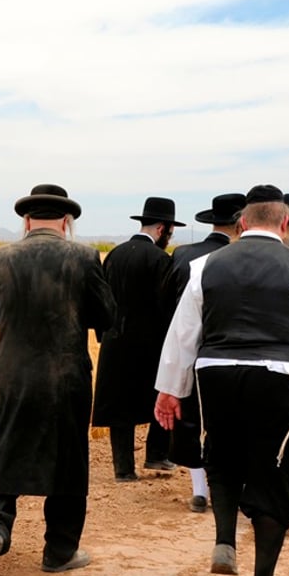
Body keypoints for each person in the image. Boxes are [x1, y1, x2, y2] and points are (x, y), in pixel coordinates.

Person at [154, 185, 289, 576]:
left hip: (214, 373)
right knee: (276, 471)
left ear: (241, 224)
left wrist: (170, 389)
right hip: (279, 378)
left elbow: (183, 333)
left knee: (221, 454)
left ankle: (224, 540)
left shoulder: (205, 266)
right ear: (286, 224)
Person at [0, 184, 115, 576]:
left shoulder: (1, 257)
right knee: (68, 459)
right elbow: (106, 315)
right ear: (67, 223)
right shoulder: (85, 257)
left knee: (5, 447)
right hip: (66, 378)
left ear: (27, 221)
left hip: (13, 375)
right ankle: (59, 551)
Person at [162, 193, 247, 514]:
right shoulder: (241, 257)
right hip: (230, 352)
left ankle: (199, 490)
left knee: (192, 422)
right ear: (242, 223)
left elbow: (167, 305)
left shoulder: (183, 255)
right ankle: (232, 488)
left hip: (190, 350)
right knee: (231, 425)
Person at [93, 196, 184, 481]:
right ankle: (157, 456)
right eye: (170, 231)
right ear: (161, 228)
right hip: (150, 344)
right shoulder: (160, 259)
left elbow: (101, 300)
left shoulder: (114, 255)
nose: (170, 237)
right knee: (159, 396)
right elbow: (167, 305)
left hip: (115, 342)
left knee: (119, 404)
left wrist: (103, 335)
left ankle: (123, 470)